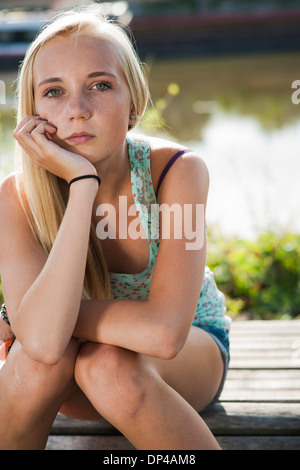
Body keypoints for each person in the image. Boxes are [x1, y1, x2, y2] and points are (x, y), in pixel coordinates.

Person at [0, 7, 231, 450]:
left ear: (134, 104)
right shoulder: (18, 196)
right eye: (53, 92)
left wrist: (34, 316)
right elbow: (46, 347)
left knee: (105, 364)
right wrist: (82, 184)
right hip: (70, 370)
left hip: (184, 360)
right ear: (31, 113)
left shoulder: (177, 173)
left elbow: (163, 334)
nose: (77, 110)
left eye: (100, 85)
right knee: (35, 364)